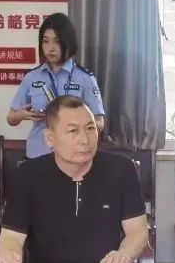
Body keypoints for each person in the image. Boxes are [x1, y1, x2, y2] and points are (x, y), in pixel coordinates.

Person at [0, 96, 148, 263]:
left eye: (90, 128)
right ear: (49, 138)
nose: (84, 139)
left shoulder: (121, 169)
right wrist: (8, 256)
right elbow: (11, 236)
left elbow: (138, 232)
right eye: (73, 131)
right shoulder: (28, 174)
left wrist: (123, 255)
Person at [6, 12, 106, 159]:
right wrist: (21, 115)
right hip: (38, 154)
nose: (50, 48)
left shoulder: (85, 78)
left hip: (73, 156)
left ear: (68, 43)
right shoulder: (32, 77)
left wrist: (77, 126)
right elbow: (11, 118)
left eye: (57, 42)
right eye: (45, 41)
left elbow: (99, 122)